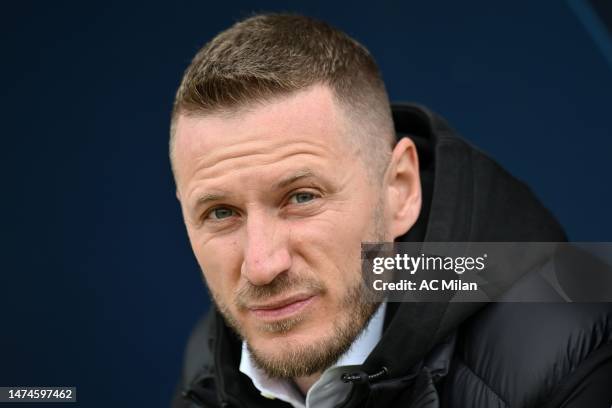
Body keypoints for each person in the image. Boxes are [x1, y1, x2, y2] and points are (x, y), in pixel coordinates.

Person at [169, 14, 612, 408]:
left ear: (399, 191)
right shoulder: (210, 361)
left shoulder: (568, 355)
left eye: (302, 197)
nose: (262, 266)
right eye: (221, 212)